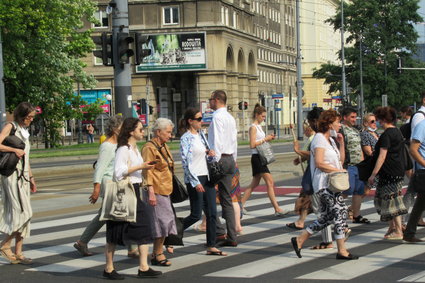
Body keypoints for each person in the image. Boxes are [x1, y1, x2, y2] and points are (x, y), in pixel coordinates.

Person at [291, 109, 358, 260]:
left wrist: (341, 144)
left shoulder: (331, 140)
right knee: (340, 213)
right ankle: (342, 250)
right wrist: (337, 170)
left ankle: (300, 239)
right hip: (323, 184)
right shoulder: (319, 139)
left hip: (332, 183)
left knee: (328, 217)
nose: (339, 125)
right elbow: (320, 163)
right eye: (337, 122)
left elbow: (340, 160)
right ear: (329, 124)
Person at [73, 115, 139, 258]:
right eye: (122, 128)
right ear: (115, 129)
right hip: (110, 183)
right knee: (116, 214)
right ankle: (131, 248)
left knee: (118, 214)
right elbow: (100, 168)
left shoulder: (121, 144)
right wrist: (96, 188)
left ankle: (83, 242)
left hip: (118, 182)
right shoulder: (108, 145)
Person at [104, 117, 160, 279]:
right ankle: (108, 268)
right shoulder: (123, 149)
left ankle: (143, 267)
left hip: (135, 190)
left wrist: (145, 167)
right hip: (124, 192)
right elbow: (118, 172)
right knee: (115, 230)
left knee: (144, 227)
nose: (143, 132)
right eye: (140, 129)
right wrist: (141, 166)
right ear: (131, 132)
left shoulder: (135, 149)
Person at [179, 108, 226, 256]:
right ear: (190, 121)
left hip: (207, 177)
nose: (201, 122)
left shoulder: (201, 135)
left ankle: (211, 245)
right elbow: (186, 163)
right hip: (195, 178)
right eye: (199, 119)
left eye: (201, 119)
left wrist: (210, 154)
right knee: (195, 215)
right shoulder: (185, 138)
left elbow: (207, 156)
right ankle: (172, 232)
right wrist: (195, 182)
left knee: (212, 212)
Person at [0, 102, 37, 265]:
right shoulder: (11, 126)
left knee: (25, 214)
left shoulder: (25, 131)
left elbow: (26, 157)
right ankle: (5, 245)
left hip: (23, 176)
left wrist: (32, 177)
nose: (31, 120)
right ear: (22, 115)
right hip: (12, 175)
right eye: (29, 117)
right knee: (23, 212)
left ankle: (19, 252)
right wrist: (13, 150)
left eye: (33, 117)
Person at [241, 104, 288, 216]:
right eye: (262, 116)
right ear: (257, 115)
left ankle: (240, 205)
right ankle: (277, 209)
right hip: (257, 157)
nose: (264, 118)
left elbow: (260, 141)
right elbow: (252, 145)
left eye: (264, 116)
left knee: (254, 184)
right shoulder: (253, 127)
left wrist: (268, 139)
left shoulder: (259, 127)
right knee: (269, 182)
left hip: (260, 157)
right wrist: (265, 139)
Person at [142, 118, 177, 266]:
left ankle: (157, 252)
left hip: (165, 189)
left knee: (166, 221)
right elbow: (147, 171)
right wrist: (150, 192)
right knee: (160, 222)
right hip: (155, 190)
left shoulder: (163, 146)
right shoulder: (149, 148)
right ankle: (157, 254)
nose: (171, 135)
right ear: (158, 132)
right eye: (168, 132)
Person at [368, 107, 407, 240]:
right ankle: (393, 227)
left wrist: (373, 174)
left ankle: (398, 230)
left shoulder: (387, 135)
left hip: (389, 171)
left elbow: (382, 156)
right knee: (385, 199)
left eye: (377, 119)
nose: (376, 122)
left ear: (383, 119)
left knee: (392, 200)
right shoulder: (396, 131)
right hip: (396, 170)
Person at [208, 90, 238, 247]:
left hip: (220, 159)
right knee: (227, 198)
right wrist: (234, 159)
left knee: (207, 194)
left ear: (217, 100)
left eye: (210, 99)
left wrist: (214, 161)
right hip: (230, 158)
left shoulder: (217, 117)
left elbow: (217, 141)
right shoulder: (230, 117)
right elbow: (234, 140)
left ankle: (217, 231)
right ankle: (231, 236)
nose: (209, 102)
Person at [340, 107, 370, 224]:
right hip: (348, 165)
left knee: (359, 191)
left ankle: (356, 215)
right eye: (352, 117)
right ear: (345, 117)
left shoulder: (355, 130)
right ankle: (335, 211)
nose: (354, 119)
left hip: (359, 165)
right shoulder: (341, 130)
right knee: (347, 189)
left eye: (355, 117)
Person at [403, 118, 425, 243]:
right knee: (420, 203)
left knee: (420, 203)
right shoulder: (422, 125)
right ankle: (409, 233)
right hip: (423, 170)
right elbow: (413, 149)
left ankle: (409, 233)